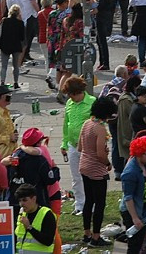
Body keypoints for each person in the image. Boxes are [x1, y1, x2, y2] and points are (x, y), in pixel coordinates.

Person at [78, 96, 116, 248]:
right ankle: (96, 237)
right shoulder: (100, 128)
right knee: (99, 203)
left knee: (89, 201)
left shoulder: (87, 123)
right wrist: (108, 163)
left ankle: (87, 234)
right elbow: (101, 154)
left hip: (84, 165)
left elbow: (80, 147)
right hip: (96, 168)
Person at [61, 75, 95, 216]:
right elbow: (66, 124)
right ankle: (80, 204)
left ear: (77, 92)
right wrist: (64, 143)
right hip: (73, 145)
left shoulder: (92, 102)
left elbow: (99, 123)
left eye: (70, 94)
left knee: (90, 176)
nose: (70, 97)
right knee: (76, 177)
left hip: (88, 146)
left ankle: (91, 205)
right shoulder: (69, 103)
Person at [122, 136, 146, 254]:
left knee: (144, 242)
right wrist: (135, 218)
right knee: (135, 245)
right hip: (133, 211)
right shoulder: (130, 172)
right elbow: (128, 197)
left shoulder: (145, 163)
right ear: (139, 154)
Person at [14, 183, 58, 254]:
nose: (21, 204)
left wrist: (29, 227)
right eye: (20, 201)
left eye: (24, 200)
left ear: (34, 199)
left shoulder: (46, 214)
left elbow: (48, 241)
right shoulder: (21, 215)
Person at [0, 3, 27, 88]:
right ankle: (16, 82)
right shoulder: (20, 23)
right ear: (18, 13)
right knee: (16, 66)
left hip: (4, 45)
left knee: (4, 66)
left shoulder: (5, 21)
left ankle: (2, 82)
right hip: (16, 46)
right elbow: (22, 38)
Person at [0, 84, 19, 157]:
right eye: (9, 95)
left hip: (12, 150)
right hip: (2, 154)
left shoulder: (5, 111)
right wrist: (8, 138)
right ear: (3, 97)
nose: (10, 97)